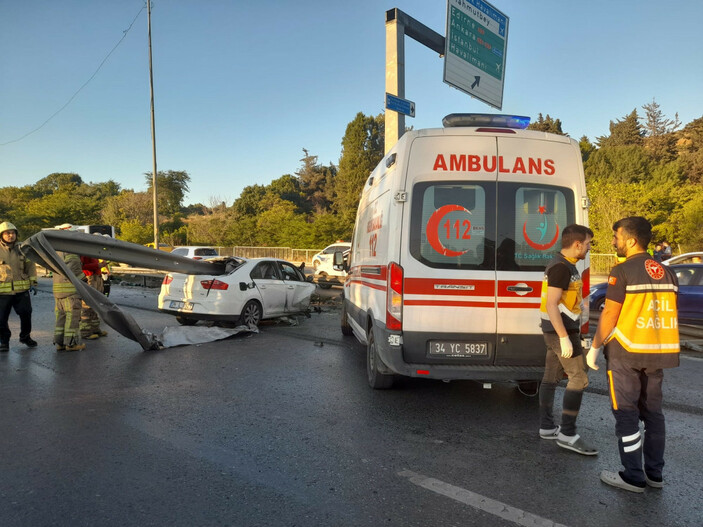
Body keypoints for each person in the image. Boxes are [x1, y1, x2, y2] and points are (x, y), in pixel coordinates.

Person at [587, 216, 679, 493]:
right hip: (659, 350)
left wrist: (594, 347)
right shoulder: (666, 271)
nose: (613, 242)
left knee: (626, 413)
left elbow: (610, 312)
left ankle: (633, 476)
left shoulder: (622, 270)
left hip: (626, 351)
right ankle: (655, 474)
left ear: (630, 240)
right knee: (653, 414)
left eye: (616, 237)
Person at [538, 224, 598, 456]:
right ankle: (568, 434)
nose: (589, 248)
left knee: (550, 378)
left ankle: (547, 427)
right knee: (579, 379)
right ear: (576, 244)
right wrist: (564, 337)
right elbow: (552, 304)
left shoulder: (566, 265)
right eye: (588, 244)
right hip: (560, 332)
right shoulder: (561, 267)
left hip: (560, 330)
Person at [0, 221, 38, 351]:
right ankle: (4, 341)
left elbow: (31, 266)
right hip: (2, 292)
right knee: (1, 319)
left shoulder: (23, 248)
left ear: (16, 234)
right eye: (7, 233)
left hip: (21, 290)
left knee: (26, 313)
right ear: (1, 235)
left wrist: (33, 282)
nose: (10, 236)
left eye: (12, 233)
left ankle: (25, 337)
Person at [53, 225, 87, 352]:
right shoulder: (71, 251)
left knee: (61, 317)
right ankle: (71, 344)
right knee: (72, 316)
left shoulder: (56, 250)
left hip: (58, 290)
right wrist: (84, 280)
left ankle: (60, 343)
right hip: (70, 290)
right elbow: (74, 269)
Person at [79, 254, 107, 340]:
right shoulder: (83, 249)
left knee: (96, 304)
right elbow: (81, 266)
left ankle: (95, 329)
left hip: (96, 277)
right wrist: (97, 266)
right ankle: (85, 331)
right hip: (89, 278)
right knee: (87, 305)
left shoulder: (92, 250)